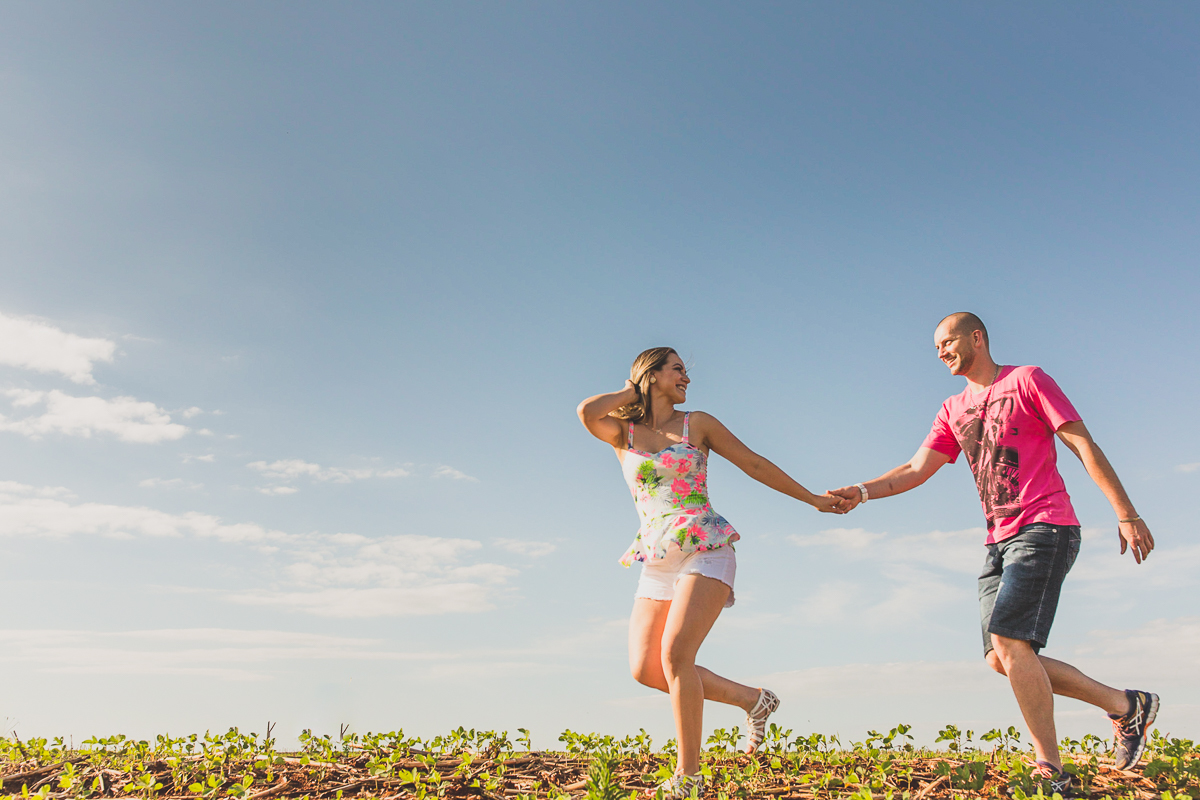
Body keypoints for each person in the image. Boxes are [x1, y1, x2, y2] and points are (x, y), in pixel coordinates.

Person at [829, 312, 1158, 795]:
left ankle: (1051, 771)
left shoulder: (1027, 380)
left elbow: (1081, 443)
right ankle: (1127, 706)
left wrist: (1125, 512)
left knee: (1009, 640)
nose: (941, 351)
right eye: (936, 346)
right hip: (997, 539)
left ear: (976, 337)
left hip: (1046, 525)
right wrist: (861, 490)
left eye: (948, 341)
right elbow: (916, 468)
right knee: (1001, 658)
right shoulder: (952, 407)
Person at [578, 347, 840, 798]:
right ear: (653, 374)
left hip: (706, 546)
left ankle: (689, 779)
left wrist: (812, 499)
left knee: (676, 654)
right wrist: (629, 389)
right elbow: (586, 411)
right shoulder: (623, 434)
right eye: (677, 369)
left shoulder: (696, 424)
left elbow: (753, 463)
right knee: (645, 668)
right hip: (657, 555)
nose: (687, 378)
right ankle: (752, 699)